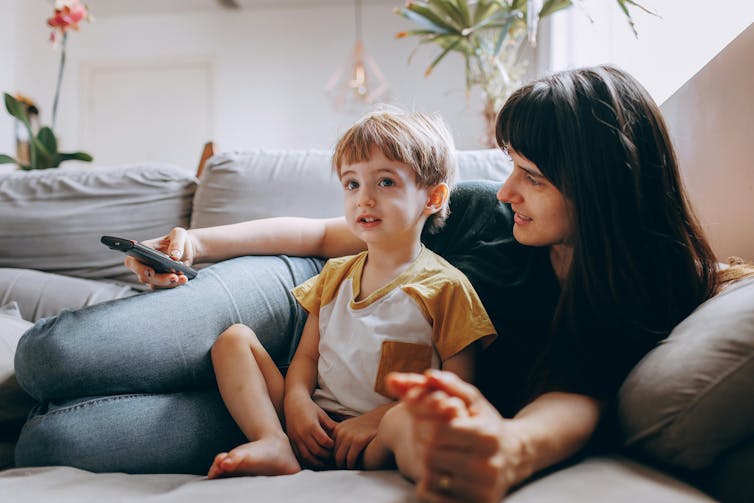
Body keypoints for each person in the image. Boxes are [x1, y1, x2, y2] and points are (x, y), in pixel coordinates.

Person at [13, 65, 754, 501]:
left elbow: (581, 395)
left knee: (53, 436)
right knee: (53, 359)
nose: (504, 192)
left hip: (335, 402)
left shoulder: (635, 294)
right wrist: (196, 241)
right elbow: (322, 236)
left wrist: (512, 447)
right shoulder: (481, 218)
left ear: (600, 185)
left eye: (528, 176)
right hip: (312, 289)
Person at [205, 110, 495, 478]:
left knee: (410, 419)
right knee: (234, 340)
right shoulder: (335, 274)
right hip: (312, 427)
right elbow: (307, 358)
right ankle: (272, 442)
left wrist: (378, 419)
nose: (364, 199)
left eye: (385, 182)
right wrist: (296, 403)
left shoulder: (446, 287)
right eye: (352, 184)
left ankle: (437, 473)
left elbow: (458, 386)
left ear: (433, 197)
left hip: (374, 440)